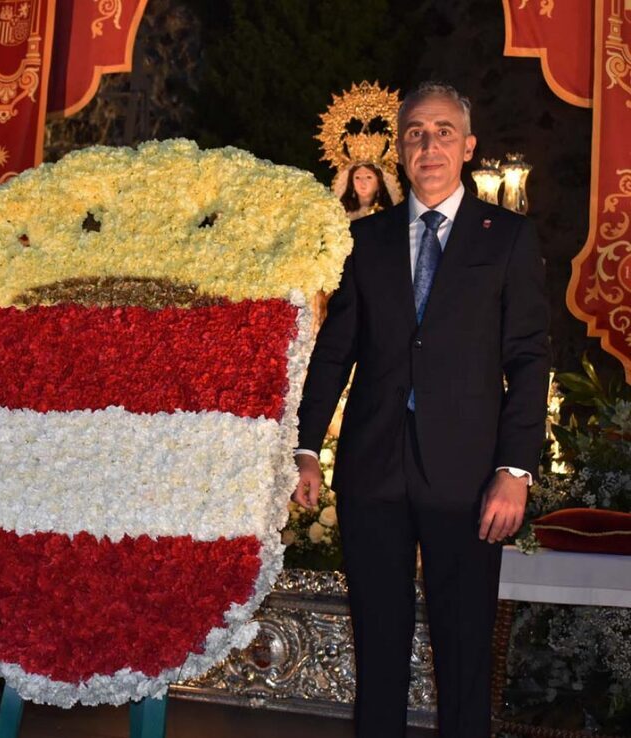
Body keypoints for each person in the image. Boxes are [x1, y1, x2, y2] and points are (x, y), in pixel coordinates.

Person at [293, 82, 550, 737]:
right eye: (414, 132)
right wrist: (302, 448)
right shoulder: (369, 240)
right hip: (373, 470)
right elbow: (334, 352)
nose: (428, 143)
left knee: (464, 658)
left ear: (467, 146)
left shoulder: (509, 238)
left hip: (469, 479)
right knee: (379, 655)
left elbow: (527, 359)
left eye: (442, 131)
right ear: (400, 150)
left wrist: (515, 469)